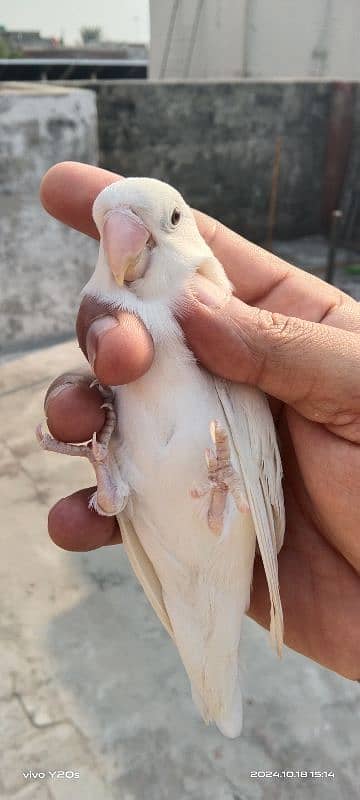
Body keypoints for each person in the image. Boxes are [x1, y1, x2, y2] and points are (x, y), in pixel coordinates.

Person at [40, 161, 360, 680]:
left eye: (164, 221)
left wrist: (234, 481)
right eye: (109, 230)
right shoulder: (119, 321)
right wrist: (103, 460)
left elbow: (260, 487)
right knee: (109, 469)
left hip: (233, 519)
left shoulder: (216, 324)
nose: (125, 241)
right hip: (162, 517)